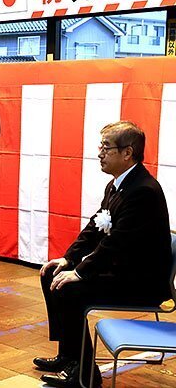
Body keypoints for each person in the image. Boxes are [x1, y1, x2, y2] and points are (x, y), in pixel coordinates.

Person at [36, 121, 172, 388]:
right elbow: (96, 226)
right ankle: (68, 355)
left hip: (143, 281)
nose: (99, 153)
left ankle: (85, 374)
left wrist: (79, 273)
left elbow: (117, 244)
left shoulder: (142, 190)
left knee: (69, 289)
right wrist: (69, 258)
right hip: (123, 269)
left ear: (127, 153)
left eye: (106, 148)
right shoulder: (118, 185)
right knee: (51, 273)